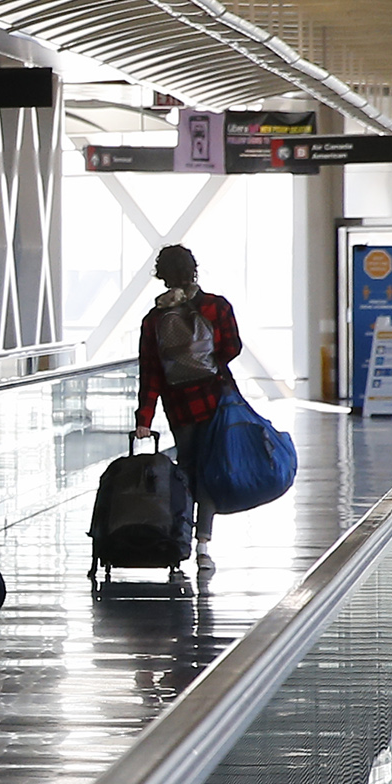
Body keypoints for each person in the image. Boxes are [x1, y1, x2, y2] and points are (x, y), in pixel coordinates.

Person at [135, 242, 247, 567]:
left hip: (178, 403)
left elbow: (151, 371)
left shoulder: (154, 319)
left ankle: (179, 535)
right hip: (214, 399)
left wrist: (145, 417)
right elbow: (233, 347)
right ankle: (203, 546)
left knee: (185, 469)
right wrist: (209, 362)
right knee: (209, 467)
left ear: (162, 276)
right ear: (193, 270)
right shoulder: (216, 307)